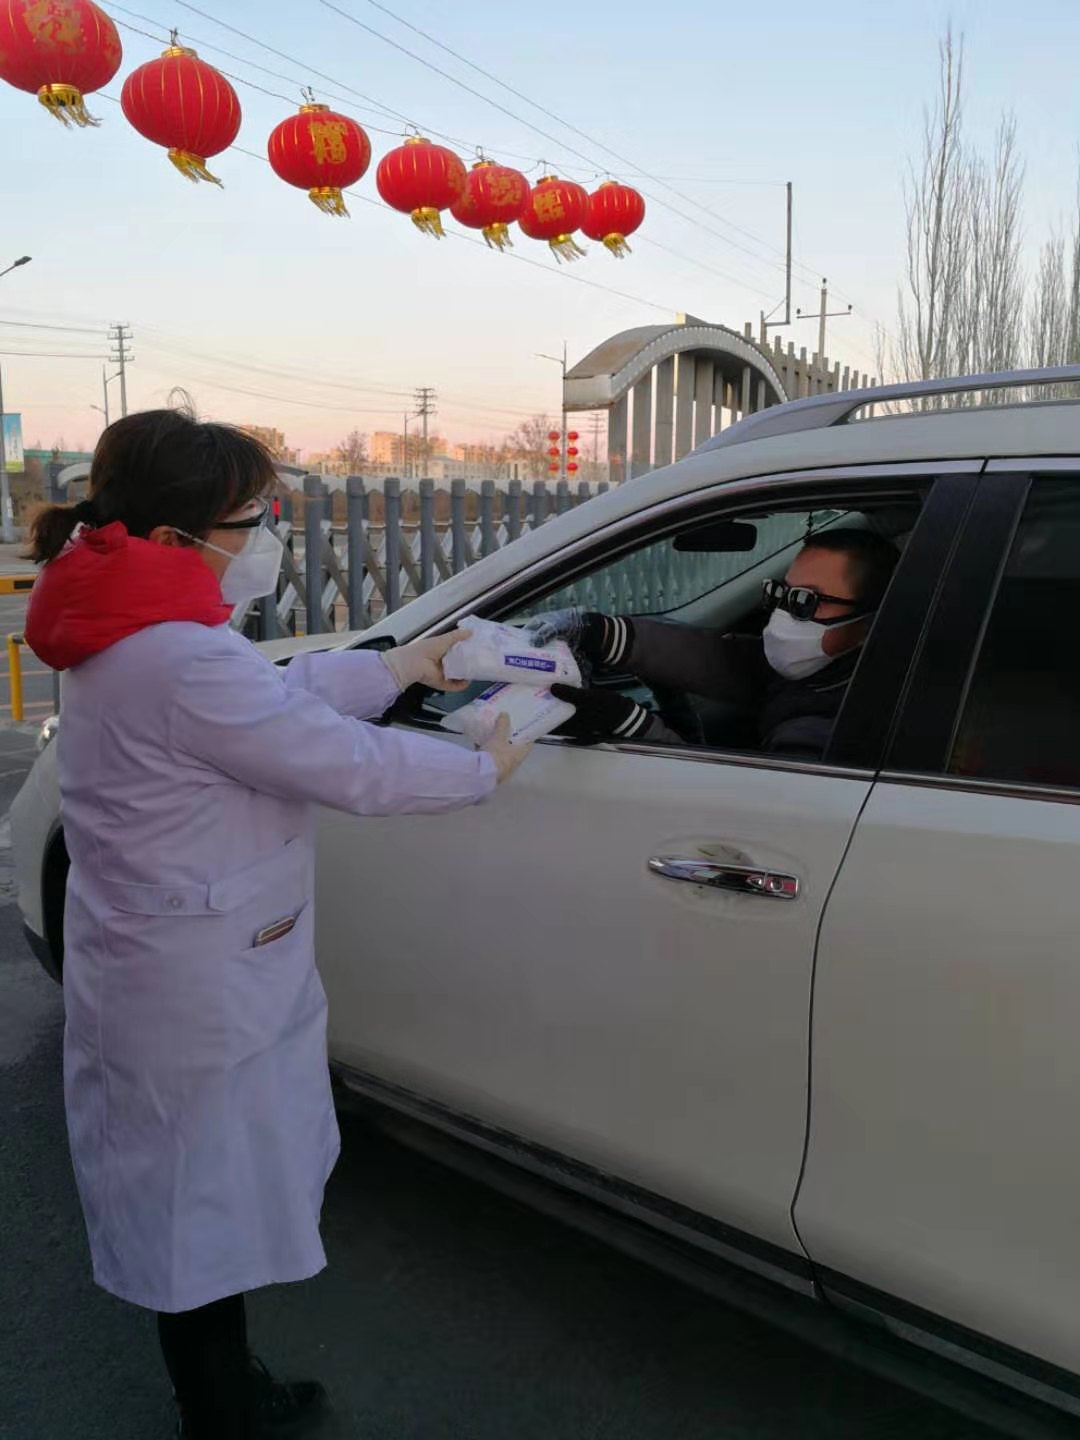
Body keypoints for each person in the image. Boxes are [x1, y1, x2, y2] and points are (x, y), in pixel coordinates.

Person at [24, 408, 530, 1439]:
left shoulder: (134, 625)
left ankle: (221, 1390)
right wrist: (479, 769)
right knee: (196, 1207)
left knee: (192, 1197)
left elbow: (269, 696)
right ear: (176, 536)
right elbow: (340, 761)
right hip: (193, 982)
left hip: (171, 958)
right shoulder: (177, 654)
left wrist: (397, 667)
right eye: (252, 517)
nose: (268, 535)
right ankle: (221, 1411)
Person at [530, 528, 899, 761]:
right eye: (779, 593)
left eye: (805, 601)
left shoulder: (831, 731)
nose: (783, 615)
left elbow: (735, 815)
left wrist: (635, 729)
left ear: (869, 624)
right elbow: (726, 661)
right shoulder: (833, 669)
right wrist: (600, 631)